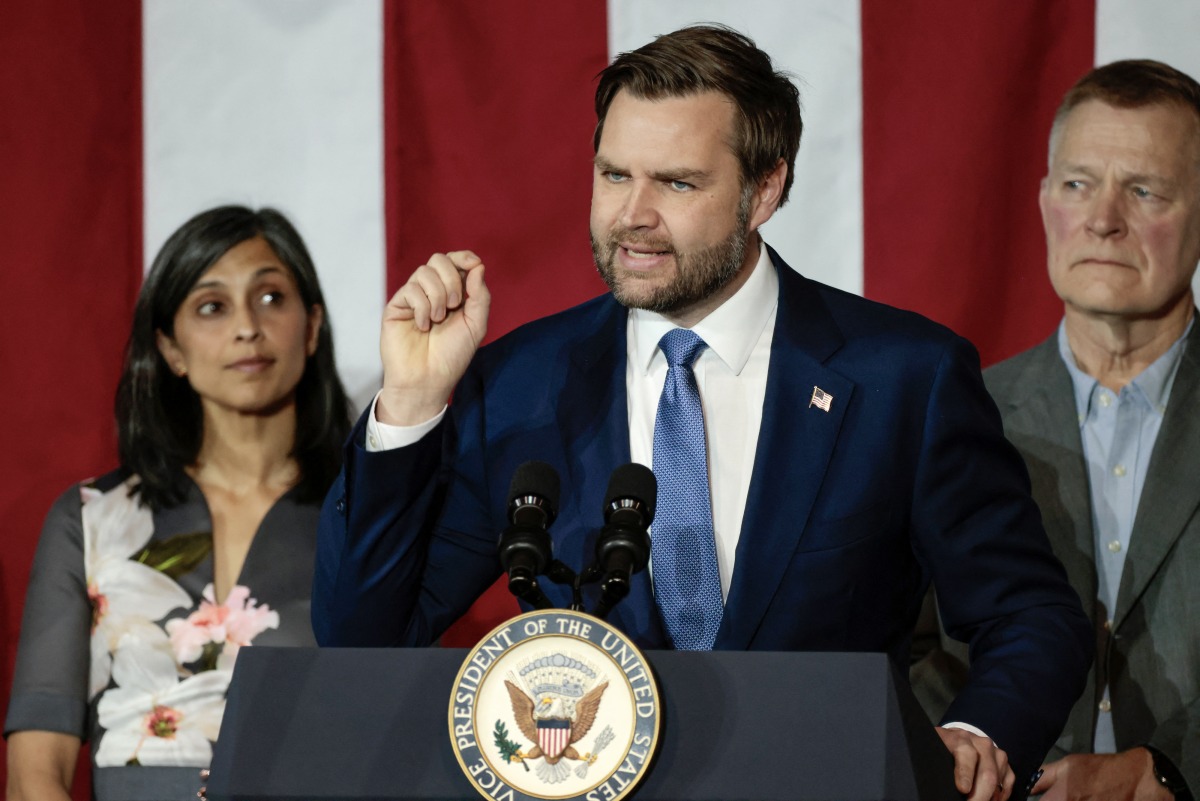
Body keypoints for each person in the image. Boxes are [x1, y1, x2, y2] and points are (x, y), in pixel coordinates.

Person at [312, 25, 1091, 800]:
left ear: (765, 190)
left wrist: (981, 733)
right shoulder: (519, 382)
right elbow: (363, 641)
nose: (632, 215)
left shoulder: (901, 377)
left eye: (677, 183)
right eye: (614, 175)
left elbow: (1027, 610)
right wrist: (410, 405)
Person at [916, 60, 1200, 801]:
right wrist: (978, 756)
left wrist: (1166, 768)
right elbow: (907, 649)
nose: (1104, 218)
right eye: (1078, 184)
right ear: (1046, 203)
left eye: (1144, 190)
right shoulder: (950, 413)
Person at [5, 206, 351, 801]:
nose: (248, 326)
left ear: (312, 326)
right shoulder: (91, 519)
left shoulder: (366, 517)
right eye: (212, 306)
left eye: (270, 297)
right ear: (170, 349)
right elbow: (35, 772)